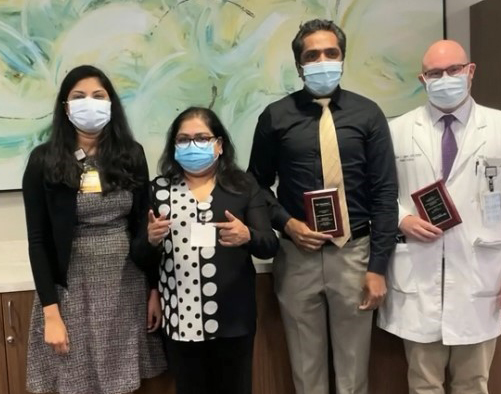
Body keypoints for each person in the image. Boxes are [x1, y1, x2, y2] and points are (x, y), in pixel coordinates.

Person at [377, 40, 501, 394]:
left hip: (479, 279)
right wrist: (401, 219)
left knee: (473, 382)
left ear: (470, 71)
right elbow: (377, 194)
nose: (445, 78)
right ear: (423, 79)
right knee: (423, 382)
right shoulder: (398, 130)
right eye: (435, 73)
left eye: (454, 69)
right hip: (419, 276)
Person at [247, 19, 398, 394]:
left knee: (353, 373)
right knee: (306, 370)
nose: (322, 60)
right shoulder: (275, 117)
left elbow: (384, 193)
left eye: (331, 53)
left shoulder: (369, 115)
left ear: (343, 58)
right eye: (312, 55)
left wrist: (378, 267)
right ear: (299, 65)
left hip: (355, 254)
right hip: (297, 255)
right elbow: (255, 184)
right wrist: (287, 224)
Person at [22, 65, 167, 394]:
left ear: (111, 104)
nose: (90, 103)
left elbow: (144, 229)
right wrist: (51, 313)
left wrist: (153, 291)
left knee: (122, 382)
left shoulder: (132, 154)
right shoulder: (43, 160)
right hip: (70, 293)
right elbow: (38, 242)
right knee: (75, 381)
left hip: (126, 288)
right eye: (79, 96)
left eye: (98, 96)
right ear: (65, 106)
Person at [138, 106, 278, 394]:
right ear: (173, 145)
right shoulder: (159, 189)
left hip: (232, 317)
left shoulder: (242, 185)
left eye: (201, 137)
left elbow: (269, 245)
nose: (192, 145)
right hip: (179, 317)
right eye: (183, 139)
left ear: (219, 144)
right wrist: (150, 240)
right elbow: (140, 255)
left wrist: (247, 235)